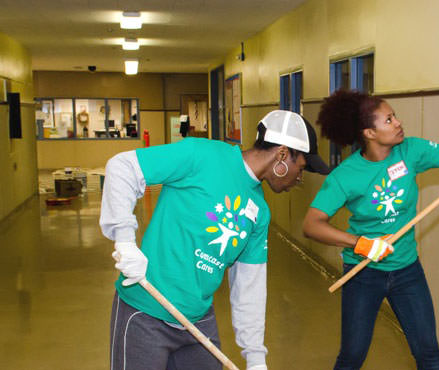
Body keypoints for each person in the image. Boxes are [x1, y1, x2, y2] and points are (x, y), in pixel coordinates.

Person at [100, 110, 330, 370]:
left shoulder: (260, 211)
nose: (298, 179)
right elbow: (122, 167)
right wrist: (125, 240)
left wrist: (255, 358)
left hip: (197, 321)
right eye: (301, 168)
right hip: (145, 312)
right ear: (282, 154)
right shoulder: (202, 155)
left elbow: (249, 287)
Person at [302, 90, 439, 370]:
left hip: (407, 270)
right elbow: (311, 224)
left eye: (395, 116)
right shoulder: (346, 175)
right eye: (388, 120)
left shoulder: (411, 151)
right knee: (352, 356)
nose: (398, 122)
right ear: (369, 132)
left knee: (428, 353)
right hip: (363, 273)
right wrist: (360, 243)